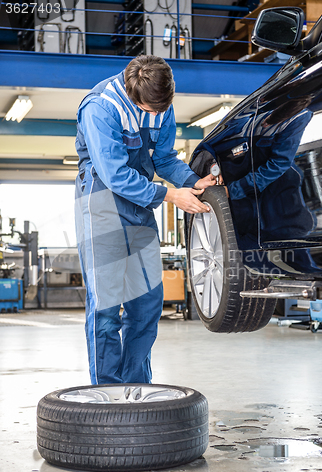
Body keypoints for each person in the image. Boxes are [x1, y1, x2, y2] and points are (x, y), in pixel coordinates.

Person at [75, 55, 217, 385]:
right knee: (107, 305)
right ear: (131, 90)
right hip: (102, 204)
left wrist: (191, 181)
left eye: (160, 109)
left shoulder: (161, 104)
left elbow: (165, 158)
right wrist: (170, 196)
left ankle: (136, 387)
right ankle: (107, 393)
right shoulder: (101, 107)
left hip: (140, 206)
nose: (155, 115)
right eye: (148, 109)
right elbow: (115, 174)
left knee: (147, 304)